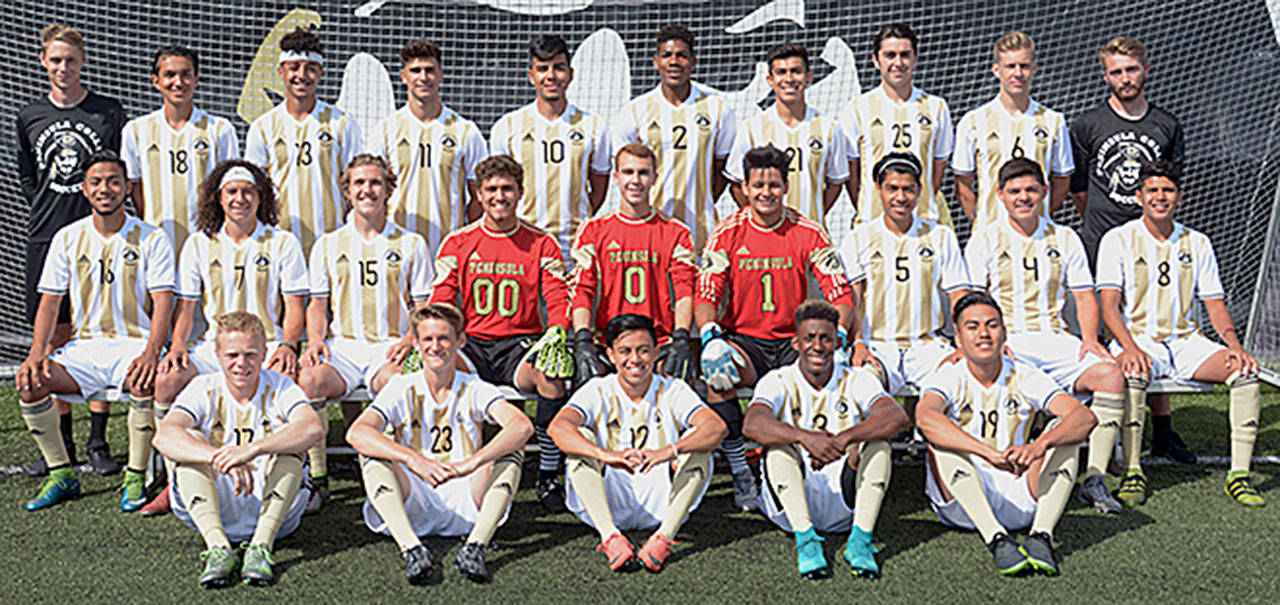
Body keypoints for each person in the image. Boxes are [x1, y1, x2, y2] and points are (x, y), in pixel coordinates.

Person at [697, 145, 856, 511]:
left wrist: (841, 336)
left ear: (786, 187)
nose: (765, 192)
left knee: (830, 376)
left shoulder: (807, 230)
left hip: (793, 343)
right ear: (745, 188)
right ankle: (741, 471)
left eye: (773, 184)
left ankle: (824, 466)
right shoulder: (728, 232)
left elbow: (841, 294)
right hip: (747, 342)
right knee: (718, 376)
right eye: (758, 185)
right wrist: (709, 337)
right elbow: (706, 291)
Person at [1097, 161, 1264, 508]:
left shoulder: (1197, 242)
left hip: (1187, 341)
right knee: (1132, 371)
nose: (1161, 197)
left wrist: (1234, 345)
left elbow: (1214, 304)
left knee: (1244, 372)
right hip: (1139, 338)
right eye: (1153, 191)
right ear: (1139, 196)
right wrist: (1127, 348)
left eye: (1168, 191)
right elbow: (1109, 306)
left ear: (1180, 197)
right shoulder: (1118, 239)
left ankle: (1239, 475)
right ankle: (1132, 471)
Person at [14, 151, 174, 512]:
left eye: (114, 181)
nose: (106, 189)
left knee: (147, 380)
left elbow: (164, 302)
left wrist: (152, 351)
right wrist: (36, 352)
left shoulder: (151, 237)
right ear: (84, 190)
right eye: (97, 182)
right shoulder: (67, 237)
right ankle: (61, 473)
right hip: (84, 348)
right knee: (30, 382)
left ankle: (136, 477)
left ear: (126, 187)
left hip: (134, 344)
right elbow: (50, 304)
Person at [965, 158, 1128, 514]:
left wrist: (1089, 339)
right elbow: (974, 300)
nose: (1023, 198)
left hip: (1056, 338)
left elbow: (1085, 296)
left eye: (1030, 190)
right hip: (1007, 341)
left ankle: (1095, 477)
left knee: (1111, 374)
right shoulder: (985, 238)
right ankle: (1010, 463)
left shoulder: (1065, 236)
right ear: (1001, 196)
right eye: (1014, 191)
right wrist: (990, 340)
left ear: (1044, 192)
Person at [148, 160, 309, 516]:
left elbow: (294, 305)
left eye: (248, 192)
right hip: (213, 348)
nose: (240, 198)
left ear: (260, 197)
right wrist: (176, 347)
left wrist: (288, 345)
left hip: (265, 346)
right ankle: (173, 478)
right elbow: (187, 308)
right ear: (218, 199)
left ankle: (305, 476)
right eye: (232, 192)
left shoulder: (282, 242)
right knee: (167, 379)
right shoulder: (198, 243)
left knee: (297, 381)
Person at [428, 154, 574, 513]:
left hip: (519, 344)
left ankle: (549, 470)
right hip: (473, 343)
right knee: (438, 370)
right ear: (478, 194)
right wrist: (438, 338)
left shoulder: (541, 242)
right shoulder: (458, 241)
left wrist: (557, 331)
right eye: (491, 189)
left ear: (520, 193)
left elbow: (557, 296)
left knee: (552, 373)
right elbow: (443, 299)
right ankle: (446, 459)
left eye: (507, 189)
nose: (499, 196)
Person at [347, 303, 533, 584]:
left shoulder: (474, 386)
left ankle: (476, 546)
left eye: (444, 338)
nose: (436, 346)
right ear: (416, 344)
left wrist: (471, 463)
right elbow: (357, 433)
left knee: (512, 448)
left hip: (467, 494)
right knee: (371, 449)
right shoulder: (401, 386)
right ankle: (411, 548)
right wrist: (414, 460)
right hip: (414, 493)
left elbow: (522, 425)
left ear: (460, 341)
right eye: (428, 339)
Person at [916, 292, 1096, 577]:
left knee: (1063, 433)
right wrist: (987, 453)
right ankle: (996, 540)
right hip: (964, 503)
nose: (983, 333)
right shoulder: (948, 375)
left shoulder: (1024, 374)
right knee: (940, 440)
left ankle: (1041, 536)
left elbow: (1084, 416)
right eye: (972, 327)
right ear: (959, 339)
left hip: (1021, 490)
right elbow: (925, 418)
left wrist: (1039, 446)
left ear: (1004, 333)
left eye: (992, 325)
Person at [1070, 37, 1190, 464]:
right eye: (1116, 71)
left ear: (1146, 70)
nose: (1125, 78)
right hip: (1100, 239)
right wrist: (1108, 226)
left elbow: (1169, 185)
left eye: (1131, 70)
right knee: (1097, 333)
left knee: (1152, 327)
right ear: (1105, 76)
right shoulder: (1087, 124)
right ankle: (1088, 424)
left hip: (1151, 244)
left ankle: (1163, 432)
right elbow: (1079, 188)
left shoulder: (1167, 125)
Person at [17, 24, 128, 476]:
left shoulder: (106, 112)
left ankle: (98, 440)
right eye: (55, 60)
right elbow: (29, 178)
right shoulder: (29, 115)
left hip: (101, 237)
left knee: (101, 331)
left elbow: (117, 170)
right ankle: (60, 444)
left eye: (71, 59)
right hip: (49, 236)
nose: (63, 67)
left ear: (83, 62)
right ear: (44, 62)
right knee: (56, 339)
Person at [298, 154, 433, 514]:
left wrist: (411, 338)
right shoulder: (328, 244)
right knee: (308, 379)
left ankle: (398, 472)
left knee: (396, 383)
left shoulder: (411, 243)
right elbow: (317, 305)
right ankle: (317, 477)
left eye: (375, 183)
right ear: (346, 191)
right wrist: (314, 341)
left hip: (389, 347)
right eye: (359, 183)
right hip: (343, 347)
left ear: (389, 189)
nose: (367, 190)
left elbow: (422, 304)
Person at [152, 311, 322, 588]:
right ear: (217, 355)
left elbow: (313, 428)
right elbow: (164, 437)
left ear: (265, 353)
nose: (241, 363)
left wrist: (252, 450)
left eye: (251, 354)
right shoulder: (202, 387)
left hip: (276, 511)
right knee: (189, 440)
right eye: (232, 355)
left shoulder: (280, 385)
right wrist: (218, 456)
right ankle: (218, 548)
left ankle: (261, 548)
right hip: (214, 504)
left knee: (292, 447)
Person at [742, 300, 909, 579]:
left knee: (878, 445)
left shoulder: (856, 379)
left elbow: (896, 416)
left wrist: (843, 439)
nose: (817, 347)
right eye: (809, 338)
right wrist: (805, 438)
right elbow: (752, 423)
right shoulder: (778, 379)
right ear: (796, 343)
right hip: (790, 504)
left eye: (826, 339)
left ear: (837, 343)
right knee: (778, 448)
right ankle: (805, 540)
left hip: (845, 498)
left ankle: (860, 541)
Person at [548, 313, 728, 573]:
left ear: (656, 352)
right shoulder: (597, 389)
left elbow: (716, 427)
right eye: (625, 351)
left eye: (643, 351)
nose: (635, 359)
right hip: (608, 496)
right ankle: (610, 537)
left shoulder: (673, 389)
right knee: (580, 441)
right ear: (610, 354)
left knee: (699, 447)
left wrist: (668, 451)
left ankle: (664, 538)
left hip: (662, 502)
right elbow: (558, 428)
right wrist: (604, 455)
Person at [836, 153, 969, 396]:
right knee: (861, 387)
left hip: (927, 346)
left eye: (908, 189)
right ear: (878, 189)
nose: (900, 197)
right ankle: (880, 435)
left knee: (958, 381)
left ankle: (927, 433)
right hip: (876, 345)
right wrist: (857, 344)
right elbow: (852, 298)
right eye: (892, 189)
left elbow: (959, 295)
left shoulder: (940, 235)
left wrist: (962, 345)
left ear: (919, 190)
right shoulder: (858, 237)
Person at [568, 143, 698, 384]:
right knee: (585, 383)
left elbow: (684, 289)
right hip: (607, 343)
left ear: (654, 178)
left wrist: (681, 336)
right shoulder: (593, 230)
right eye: (628, 172)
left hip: (658, 342)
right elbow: (582, 289)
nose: (635, 180)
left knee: (678, 380)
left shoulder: (676, 231)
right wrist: (583, 338)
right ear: (616, 178)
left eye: (643, 173)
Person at [610, 24, 737, 251]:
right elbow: (625, 172)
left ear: (693, 62)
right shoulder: (636, 110)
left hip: (701, 230)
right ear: (656, 61)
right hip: (649, 232)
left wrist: (702, 201)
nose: (674, 61)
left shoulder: (718, 108)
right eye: (667, 55)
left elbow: (723, 171)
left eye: (682, 56)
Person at [489, 34, 611, 259]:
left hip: (575, 248)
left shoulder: (594, 126)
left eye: (559, 68)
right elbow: (499, 189)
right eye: (543, 69)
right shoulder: (507, 127)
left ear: (571, 74)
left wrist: (580, 218)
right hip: (522, 246)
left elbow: (599, 187)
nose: (551, 76)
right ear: (531, 76)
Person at [244, 26, 362, 256]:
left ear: (320, 73)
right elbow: (255, 189)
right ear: (280, 72)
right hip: (279, 244)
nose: (302, 75)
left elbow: (355, 184)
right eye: (294, 68)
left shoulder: (342, 123)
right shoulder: (263, 126)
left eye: (311, 68)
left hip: (333, 242)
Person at [366, 38, 487, 259]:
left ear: (441, 75)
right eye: (415, 71)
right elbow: (371, 193)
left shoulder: (465, 130)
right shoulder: (385, 130)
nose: (423, 77)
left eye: (430, 70)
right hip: (395, 251)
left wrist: (465, 240)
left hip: (449, 254)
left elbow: (479, 195)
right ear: (404, 77)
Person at [122, 44, 239, 258]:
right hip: (156, 244)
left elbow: (231, 185)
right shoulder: (136, 130)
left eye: (186, 75)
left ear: (197, 79)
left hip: (208, 243)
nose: (178, 82)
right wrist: (150, 221)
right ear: (156, 81)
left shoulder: (220, 129)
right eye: (169, 75)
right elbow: (134, 184)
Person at [838, 23, 955, 227]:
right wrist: (867, 207)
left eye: (905, 55)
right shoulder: (858, 108)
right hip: (871, 223)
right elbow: (851, 173)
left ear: (915, 59)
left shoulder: (936, 107)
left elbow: (937, 171)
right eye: (890, 55)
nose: (898, 62)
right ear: (876, 60)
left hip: (923, 222)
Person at [953, 32, 1073, 228]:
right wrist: (981, 223)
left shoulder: (1054, 121)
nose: (1018, 73)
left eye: (1024, 66)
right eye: (1010, 66)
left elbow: (1062, 183)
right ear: (996, 70)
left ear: (1034, 69)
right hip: (990, 236)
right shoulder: (973, 121)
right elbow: (963, 186)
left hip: (1038, 235)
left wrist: (1033, 217)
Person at [725, 43, 850, 225]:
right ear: (770, 80)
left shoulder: (829, 128)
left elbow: (836, 183)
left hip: (812, 241)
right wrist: (762, 219)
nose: (789, 79)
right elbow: (736, 184)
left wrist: (812, 217)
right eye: (781, 72)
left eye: (796, 71)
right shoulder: (752, 128)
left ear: (808, 77)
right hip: (768, 237)